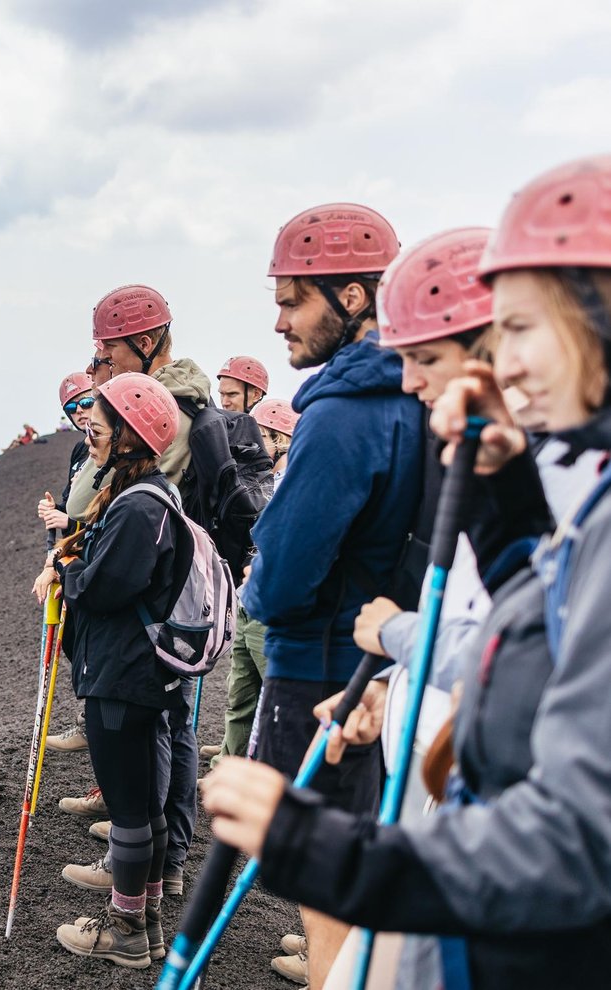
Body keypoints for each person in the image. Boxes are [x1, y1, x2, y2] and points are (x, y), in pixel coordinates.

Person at [203, 155, 611, 989]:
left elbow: (575, 840)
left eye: (522, 329)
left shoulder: (343, 419)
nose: (506, 366)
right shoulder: (571, 482)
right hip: (415, 729)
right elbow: (543, 635)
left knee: (344, 931)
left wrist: (315, 846)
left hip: (339, 677)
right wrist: (504, 515)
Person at [240, 202, 422, 988]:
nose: (278, 321)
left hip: (321, 671)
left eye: (291, 299)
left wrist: (261, 581)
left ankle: (330, 964)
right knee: (361, 863)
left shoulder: (342, 416)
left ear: (352, 296)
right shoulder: (416, 392)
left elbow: (280, 578)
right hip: (383, 663)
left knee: (323, 884)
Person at [62, 284, 208, 897]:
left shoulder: (146, 479)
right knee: (166, 736)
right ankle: (156, 873)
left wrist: (70, 570)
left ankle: (143, 886)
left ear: (145, 343)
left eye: (110, 353)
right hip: (160, 627)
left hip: (140, 637)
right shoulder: (173, 416)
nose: (104, 365)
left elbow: (110, 581)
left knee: (156, 748)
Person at [43, 372, 191, 970]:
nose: (90, 433)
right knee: (144, 810)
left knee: (129, 812)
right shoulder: (156, 498)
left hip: (121, 673)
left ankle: (125, 933)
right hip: (142, 671)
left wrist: (67, 574)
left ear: (130, 437)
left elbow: (105, 588)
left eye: (99, 427)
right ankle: (147, 924)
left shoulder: (136, 508)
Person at [201, 397, 299, 772]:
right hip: (247, 600)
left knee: (272, 695)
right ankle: (231, 763)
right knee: (240, 692)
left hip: (271, 604)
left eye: (261, 437)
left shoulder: (291, 484)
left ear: (278, 438)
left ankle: (271, 774)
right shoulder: (262, 480)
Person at [39, 371, 98, 755]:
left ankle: (93, 721)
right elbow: (74, 504)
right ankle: (90, 717)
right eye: (71, 407)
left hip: (98, 559)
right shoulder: (81, 451)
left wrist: (70, 521)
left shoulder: (110, 448)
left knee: (94, 646)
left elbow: (112, 508)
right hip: (75, 558)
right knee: (76, 642)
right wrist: (55, 511)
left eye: (86, 402)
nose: (80, 412)